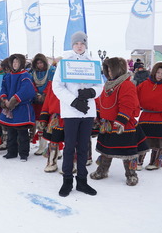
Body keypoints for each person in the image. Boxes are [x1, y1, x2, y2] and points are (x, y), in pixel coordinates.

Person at [52, 31, 103, 197]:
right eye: (76, 43)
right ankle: (67, 180)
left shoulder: (93, 62)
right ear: (72, 45)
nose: (79, 46)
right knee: (69, 147)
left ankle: (82, 181)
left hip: (87, 111)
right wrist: (74, 101)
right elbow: (57, 86)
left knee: (83, 147)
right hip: (71, 110)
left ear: (85, 45)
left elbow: (99, 85)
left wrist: (90, 92)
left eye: (82, 43)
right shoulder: (64, 62)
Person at [92, 57, 148, 186]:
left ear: (118, 69)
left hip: (122, 124)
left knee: (127, 152)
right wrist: (98, 117)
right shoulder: (107, 85)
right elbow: (101, 102)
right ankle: (102, 170)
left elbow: (128, 104)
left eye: (112, 69)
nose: (110, 72)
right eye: (108, 70)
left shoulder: (126, 84)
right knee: (105, 151)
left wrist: (121, 120)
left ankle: (131, 174)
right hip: (107, 125)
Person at [0, 53, 36, 162]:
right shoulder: (7, 76)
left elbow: (27, 90)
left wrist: (14, 99)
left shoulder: (25, 75)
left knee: (22, 132)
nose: (15, 64)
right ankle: (11, 152)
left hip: (21, 107)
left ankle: (23, 153)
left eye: (17, 62)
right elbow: (3, 88)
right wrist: (5, 99)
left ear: (21, 64)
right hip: (9, 107)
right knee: (11, 132)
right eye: (13, 62)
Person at [29, 53, 56, 156]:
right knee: (39, 124)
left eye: (41, 62)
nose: (39, 65)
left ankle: (51, 146)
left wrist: (44, 94)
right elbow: (31, 83)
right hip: (36, 101)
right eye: (37, 63)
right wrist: (36, 94)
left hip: (48, 101)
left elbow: (51, 84)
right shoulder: (32, 72)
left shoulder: (51, 70)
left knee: (49, 124)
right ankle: (41, 146)